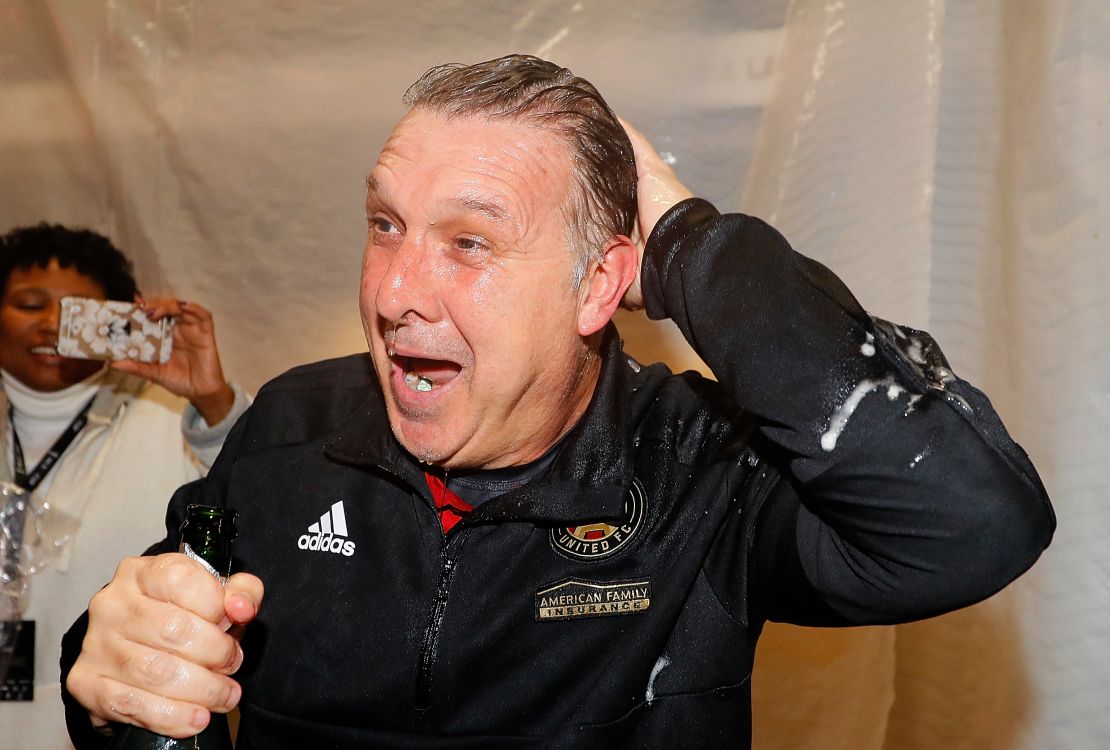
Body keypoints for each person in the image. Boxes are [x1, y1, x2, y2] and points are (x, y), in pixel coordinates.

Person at [60, 55, 1054, 749]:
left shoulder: (699, 470)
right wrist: (113, 675)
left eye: (469, 242)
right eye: (385, 224)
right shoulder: (291, 423)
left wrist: (684, 243)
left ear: (597, 286)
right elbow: (154, 639)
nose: (393, 291)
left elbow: (970, 525)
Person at [0, 223, 249, 749]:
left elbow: (257, 495)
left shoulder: (171, 418)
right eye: (28, 303)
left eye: (76, 310)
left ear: (119, 320)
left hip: (104, 729)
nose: (50, 323)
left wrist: (212, 401)